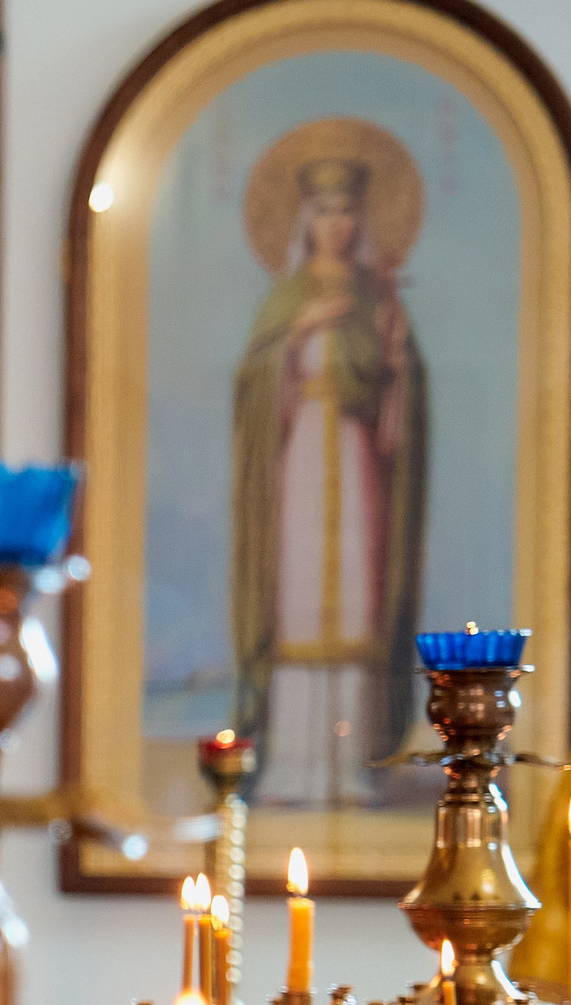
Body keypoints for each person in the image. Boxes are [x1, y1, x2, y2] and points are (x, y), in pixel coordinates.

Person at [231, 152, 426, 807]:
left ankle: (350, 763)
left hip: (357, 455)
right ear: (306, 222)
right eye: (325, 212)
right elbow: (255, 387)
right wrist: (297, 337)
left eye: (348, 211)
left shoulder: (377, 296)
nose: (337, 223)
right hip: (302, 460)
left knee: (357, 597)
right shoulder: (285, 297)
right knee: (299, 595)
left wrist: (396, 366)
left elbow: (400, 388)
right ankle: (297, 761)